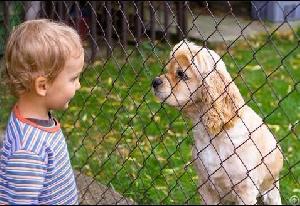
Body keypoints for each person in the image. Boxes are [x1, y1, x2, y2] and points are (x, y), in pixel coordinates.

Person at [0, 19, 84, 204]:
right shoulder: (28, 151)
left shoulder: (34, 119)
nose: (78, 85)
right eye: (73, 79)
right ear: (43, 85)